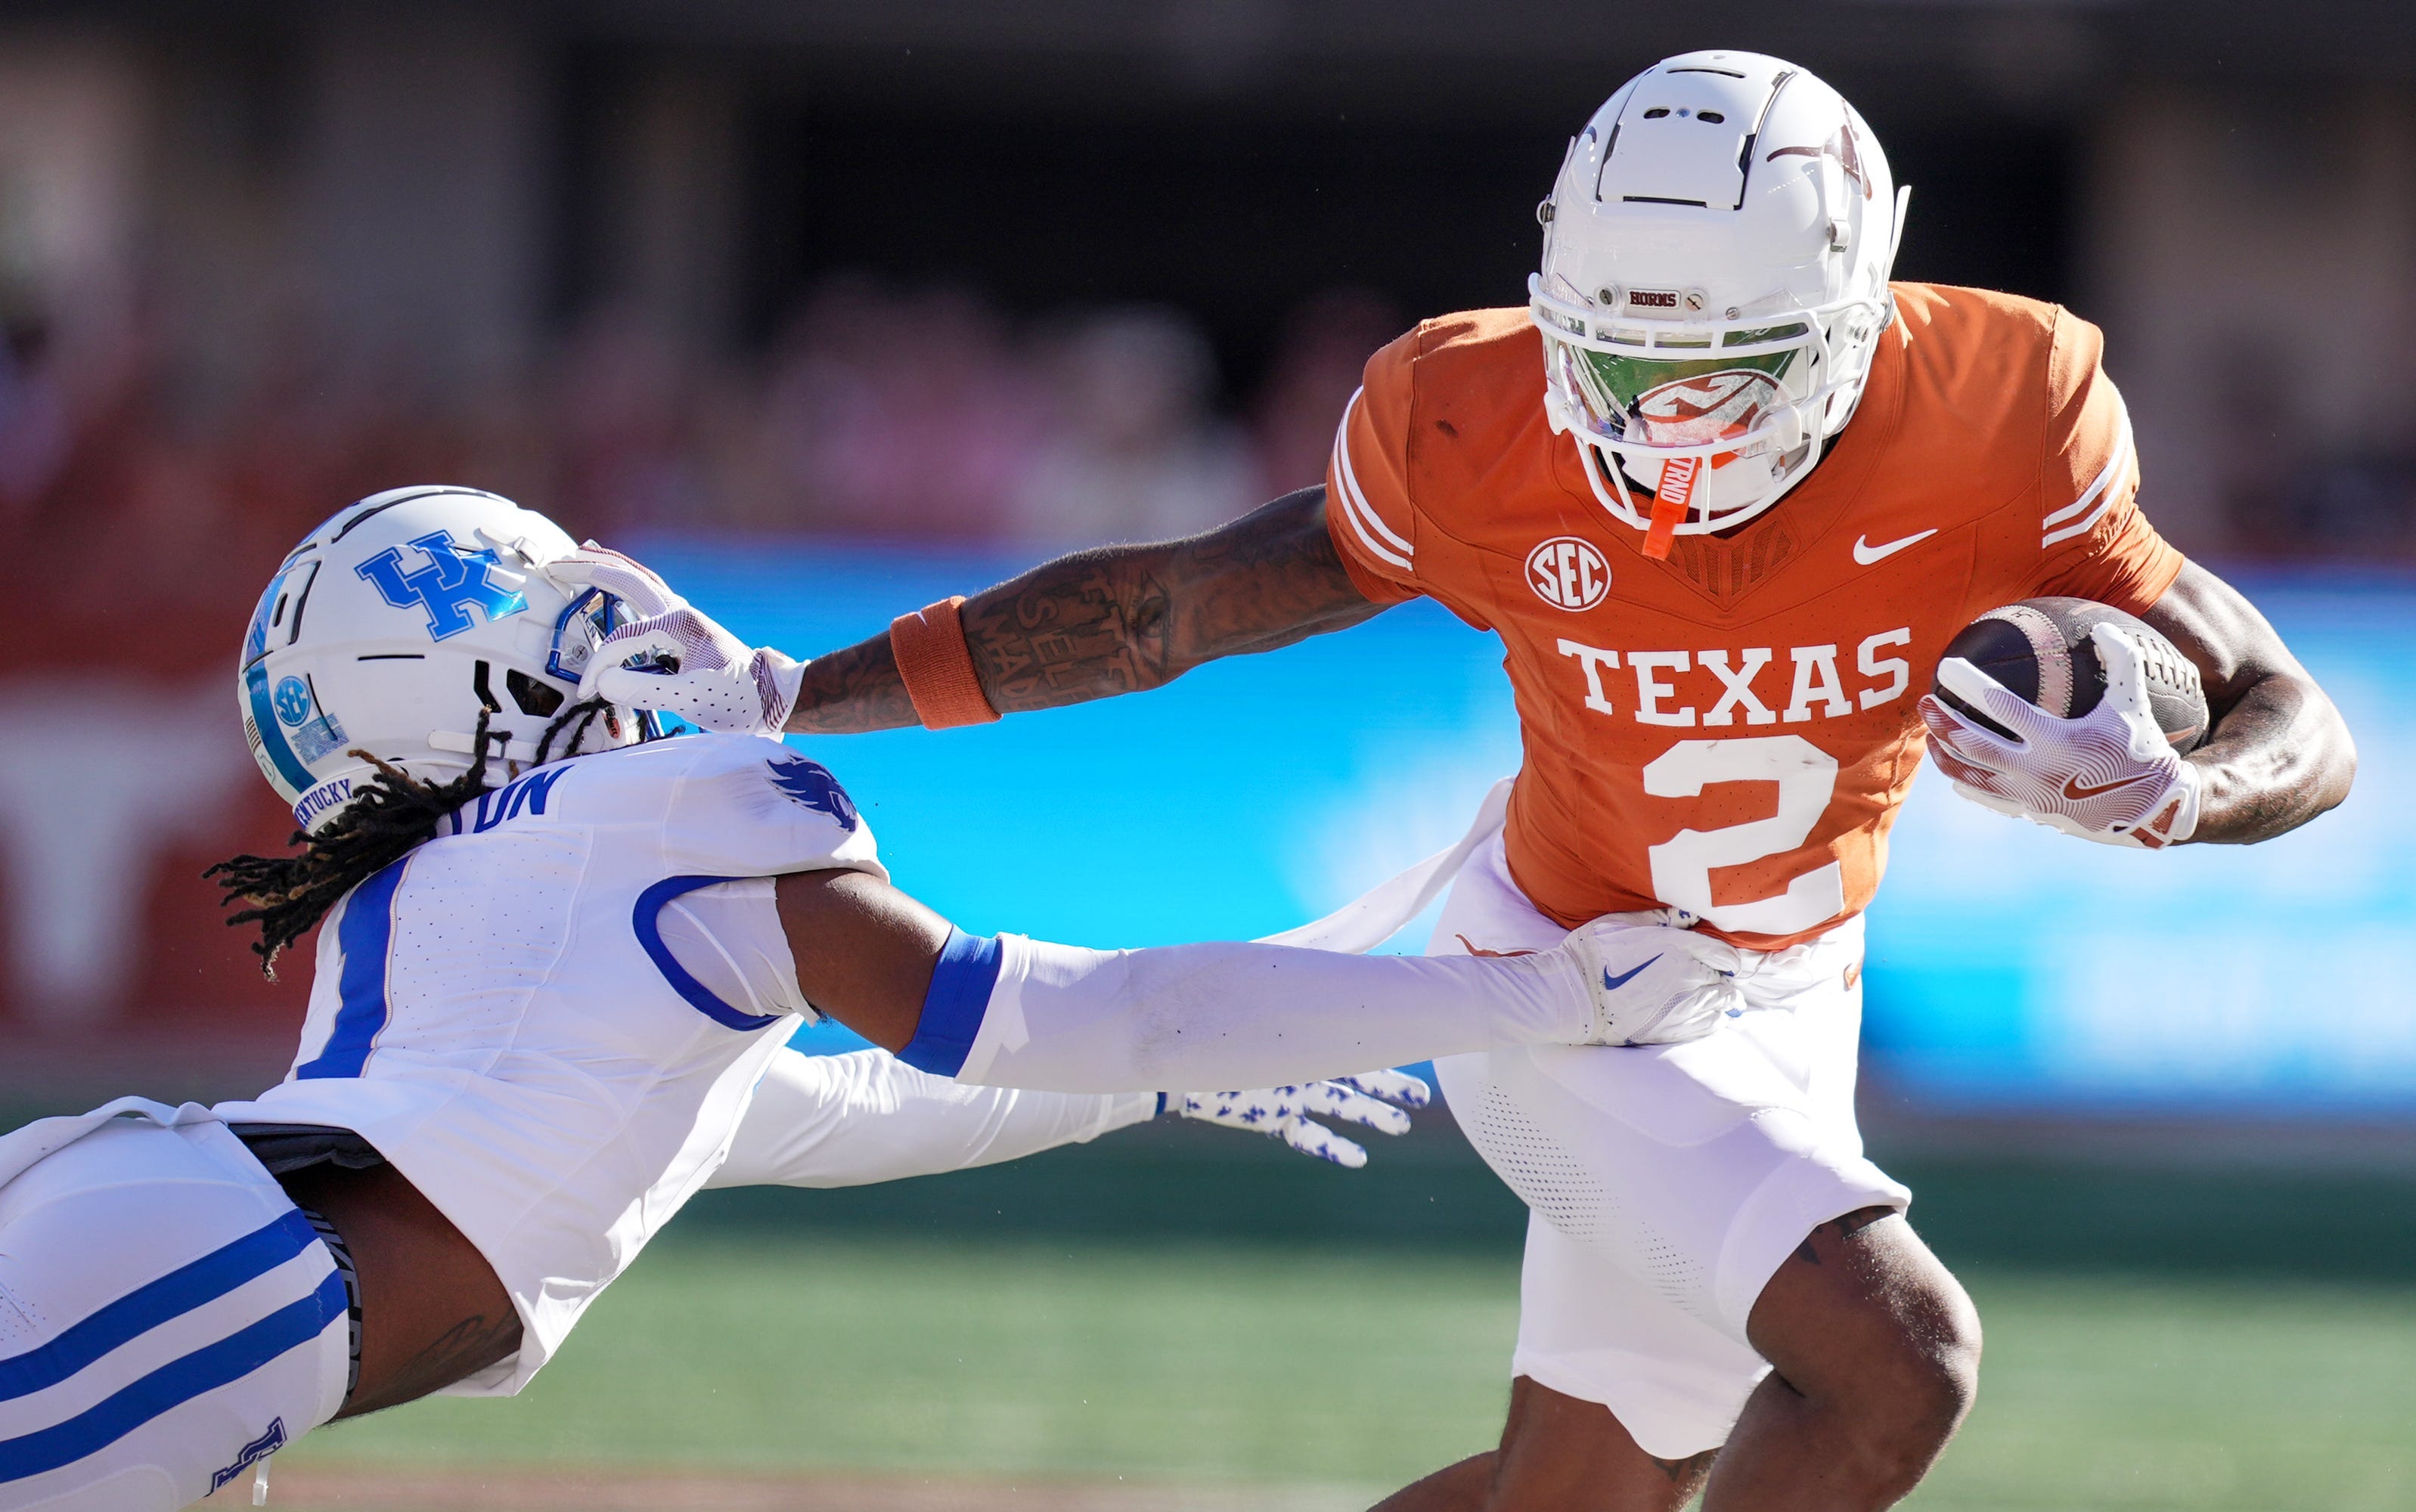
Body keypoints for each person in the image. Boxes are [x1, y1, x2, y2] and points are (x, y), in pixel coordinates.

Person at [591, 51, 2357, 1512]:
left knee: (1576, 1494)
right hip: (1559, 982)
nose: (1660, 429)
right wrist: (789, 689)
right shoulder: (1471, 414)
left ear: (1851, 311)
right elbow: (1168, 607)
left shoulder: (2000, 405)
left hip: (1788, 990)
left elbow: (2293, 714)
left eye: (1717, 372)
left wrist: (2172, 794)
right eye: (1620, 360)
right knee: (1896, 1360)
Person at [0, 486, 1722, 1512]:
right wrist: (1531, 993)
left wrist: (1181, 1072)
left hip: (164, 1251)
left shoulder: (488, 905)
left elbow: (867, 1105)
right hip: (196, 1282)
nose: (624, 631)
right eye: (552, 614)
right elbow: (1023, 1014)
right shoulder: (661, 818)